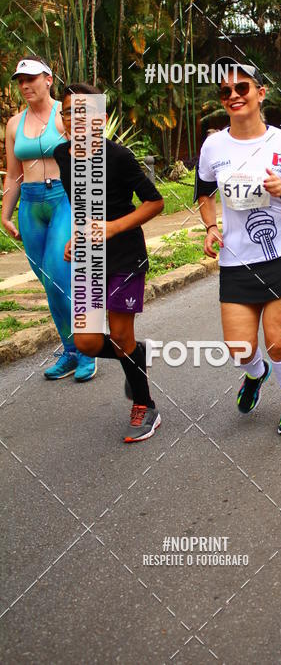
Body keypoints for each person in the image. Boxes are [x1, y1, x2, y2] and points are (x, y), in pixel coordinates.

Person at [196, 60, 281, 435]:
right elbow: (203, 191)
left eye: (242, 88)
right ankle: (256, 373)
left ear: (260, 93)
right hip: (237, 261)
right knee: (239, 349)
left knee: (278, 344)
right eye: (225, 92)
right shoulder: (214, 145)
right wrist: (211, 226)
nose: (233, 96)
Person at [53, 83, 165, 443]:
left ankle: (146, 406)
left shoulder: (118, 157)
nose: (76, 120)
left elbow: (155, 202)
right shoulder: (62, 155)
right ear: (64, 119)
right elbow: (80, 205)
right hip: (89, 256)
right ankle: (135, 352)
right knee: (86, 343)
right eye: (70, 112)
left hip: (124, 254)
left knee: (118, 335)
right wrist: (76, 235)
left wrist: (113, 227)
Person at [2, 58, 96, 381]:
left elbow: (90, 162)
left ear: (48, 79)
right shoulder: (14, 124)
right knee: (47, 282)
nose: (25, 85)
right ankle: (70, 350)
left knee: (59, 274)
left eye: (31, 79)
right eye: (20, 81)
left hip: (62, 200)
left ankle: (88, 348)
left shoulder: (66, 115)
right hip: (29, 205)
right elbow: (13, 175)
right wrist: (5, 214)